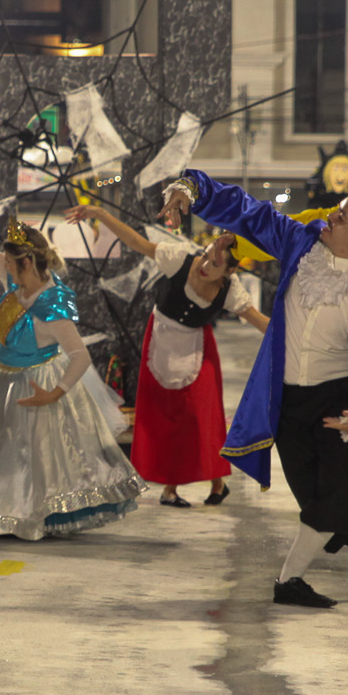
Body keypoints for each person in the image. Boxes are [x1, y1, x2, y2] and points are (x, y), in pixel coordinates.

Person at [158, 175, 348, 607]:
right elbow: (249, 212)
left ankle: (288, 582)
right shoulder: (301, 244)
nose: (328, 218)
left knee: (331, 506)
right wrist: (194, 190)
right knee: (327, 509)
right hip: (288, 403)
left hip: (339, 406)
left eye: (340, 218)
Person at [0, 220, 144, 541]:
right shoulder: (13, 276)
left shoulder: (52, 305)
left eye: (9, 263)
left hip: (39, 383)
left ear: (27, 262)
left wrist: (55, 393)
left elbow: (80, 356)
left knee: (38, 458)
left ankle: (34, 516)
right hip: (1, 380)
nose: (4, 268)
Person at [64, 201, 268, 507]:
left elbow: (260, 321)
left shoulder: (231, 290)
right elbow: (137, 242)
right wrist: (101, 214)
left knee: (203, 417)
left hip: (198, 347)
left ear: (229, 272)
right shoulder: (180, 260)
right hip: (160, 338)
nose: (205, 264)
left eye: (215, 264)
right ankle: (170, 489)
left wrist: (303, 334)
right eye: (206, 254)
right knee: (164, 415)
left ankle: (217, 482)